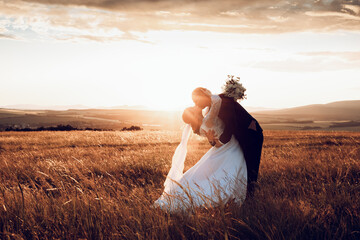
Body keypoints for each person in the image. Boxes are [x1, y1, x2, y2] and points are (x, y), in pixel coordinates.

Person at [154, 96, 248, 212]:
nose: (196, 106)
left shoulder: (205, 119)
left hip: (226, 148)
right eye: (193, 109)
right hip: (228, 149)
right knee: (221, 175)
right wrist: (208, 94)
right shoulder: (206, 123)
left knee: (205, 175)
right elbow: (218, 143)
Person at [192, 76, 263, 197]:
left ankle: (251, 195)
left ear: (204, 94)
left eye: (197, 100)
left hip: (252, 134)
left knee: (251, 165)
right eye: (194, 102)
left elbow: (230, 126)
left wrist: (219, 142)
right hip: (240, 136)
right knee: (243, 165)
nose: (196, 104)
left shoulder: (221, 101)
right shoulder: (212, 106)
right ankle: (246, 193)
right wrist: (214, 141)